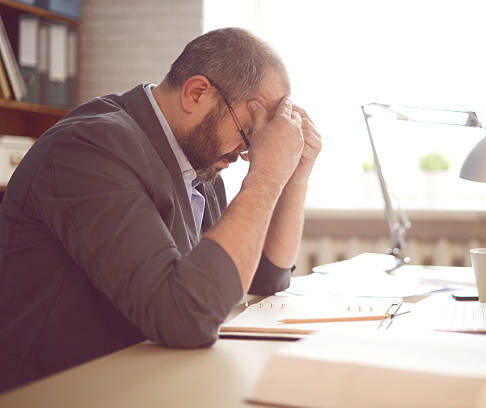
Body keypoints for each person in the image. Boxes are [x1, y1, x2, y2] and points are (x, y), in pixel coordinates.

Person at [0, 27, 321, 392]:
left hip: (137, 377)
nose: (247, 152)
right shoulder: (89, 148)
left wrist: (295, 177)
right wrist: (265, 177)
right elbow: (184, 317)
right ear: (197, 93)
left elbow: (263, 280)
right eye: (249, 131)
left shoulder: (200, 161)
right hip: (53, 390)